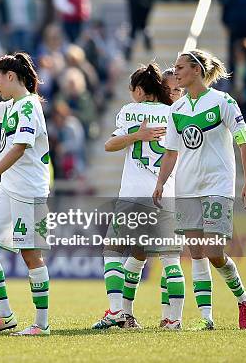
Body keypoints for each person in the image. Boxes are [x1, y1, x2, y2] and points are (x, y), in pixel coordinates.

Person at [153, 49, 246, 330]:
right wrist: (161, 182)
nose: (175, 73)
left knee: (213, 251)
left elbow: (243, 141)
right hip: (188, 188)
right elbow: (171, 153)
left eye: (180, 67)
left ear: (196, 70)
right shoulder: (176, 110)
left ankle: (243, 297)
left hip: (217, 185)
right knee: (196, 252)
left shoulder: (223, 101)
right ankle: (206, 319)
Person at [91, 63, 185, 331]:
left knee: (112, 251)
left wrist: (137, 136)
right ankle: (173, 320)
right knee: (170, 260)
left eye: (132, 89)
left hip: (132, 196)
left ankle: (118, 311)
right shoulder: (174, 113)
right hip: (165, 193)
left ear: (141, 90)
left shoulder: (130, 111)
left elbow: (109, 145)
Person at [0, 52, 51, 336]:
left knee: (31, 256)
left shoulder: (29, 107)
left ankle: (41, 324)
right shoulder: (11, 106)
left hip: (29, 191)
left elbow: (18, 149)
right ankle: (5, 316)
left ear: (11, 77)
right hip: (9, 188)